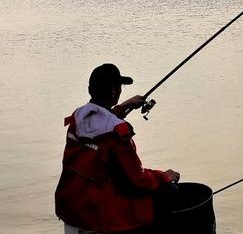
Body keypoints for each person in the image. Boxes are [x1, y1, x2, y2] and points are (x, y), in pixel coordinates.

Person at [55, 63, 180, 234]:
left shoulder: (78, 118)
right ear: (114, 91)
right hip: (99, 212)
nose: (120, 90)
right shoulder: (117, 132)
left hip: (71, 204)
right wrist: (164, 177)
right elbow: (138, 179)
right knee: (169, 191)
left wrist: (126, 105)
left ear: (90, 88)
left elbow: (98, 124)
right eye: (119, 87)